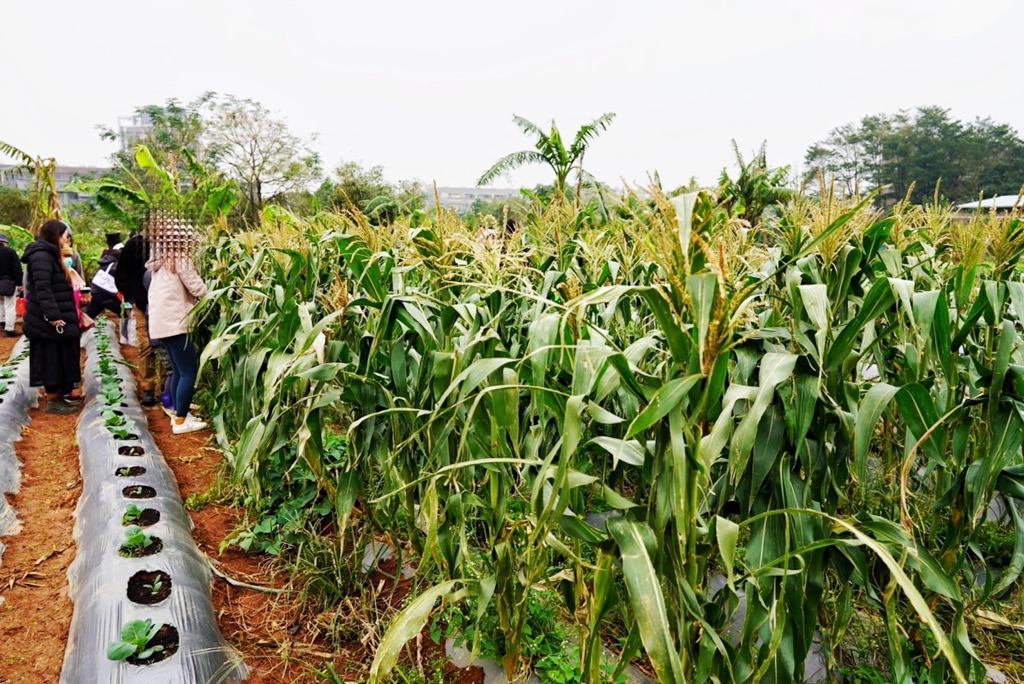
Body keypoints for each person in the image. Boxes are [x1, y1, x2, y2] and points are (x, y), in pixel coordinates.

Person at [21, 220, 82, 415]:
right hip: (45, 321)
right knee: (50, 358)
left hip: (56, 315)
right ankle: (54, 400)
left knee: (61, 355)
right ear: (55, 235)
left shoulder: (52, 254)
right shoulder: (41, 256)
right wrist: (53, 315)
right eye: (65, 235)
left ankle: (61, 396)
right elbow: (43, 288)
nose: (67, 240)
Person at [147, 240, 208, 434]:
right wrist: (218, 295)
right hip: (176, 323)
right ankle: (181, 421)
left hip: (161, 325)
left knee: (178, 371)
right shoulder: (178, 258)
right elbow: (197, 287)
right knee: (189, 371)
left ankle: (177, 414)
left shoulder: (159, 264)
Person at [116, 231, 159, 406]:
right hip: (142, 304)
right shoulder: (134, 246)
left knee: (165, 346)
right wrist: (133, 298)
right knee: (147, 345)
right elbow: (121, 276)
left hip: (165, 304)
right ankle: (148, 388)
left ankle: (166, 388)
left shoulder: (169, 245)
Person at [85, 233, 123, 319]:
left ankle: (77, 330)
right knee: (125, 312)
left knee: (87, 317)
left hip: (96, 291)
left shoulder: (106, 259)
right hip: (106, 293)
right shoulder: (119, 261)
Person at [0, 234, 22, 337]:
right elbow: (17, 268)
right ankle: (9, 329)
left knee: (0, 304)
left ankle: (1, 322)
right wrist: (19, 283)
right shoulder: (10, 252)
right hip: (8, 283)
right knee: (9, 305)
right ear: (4, 243)